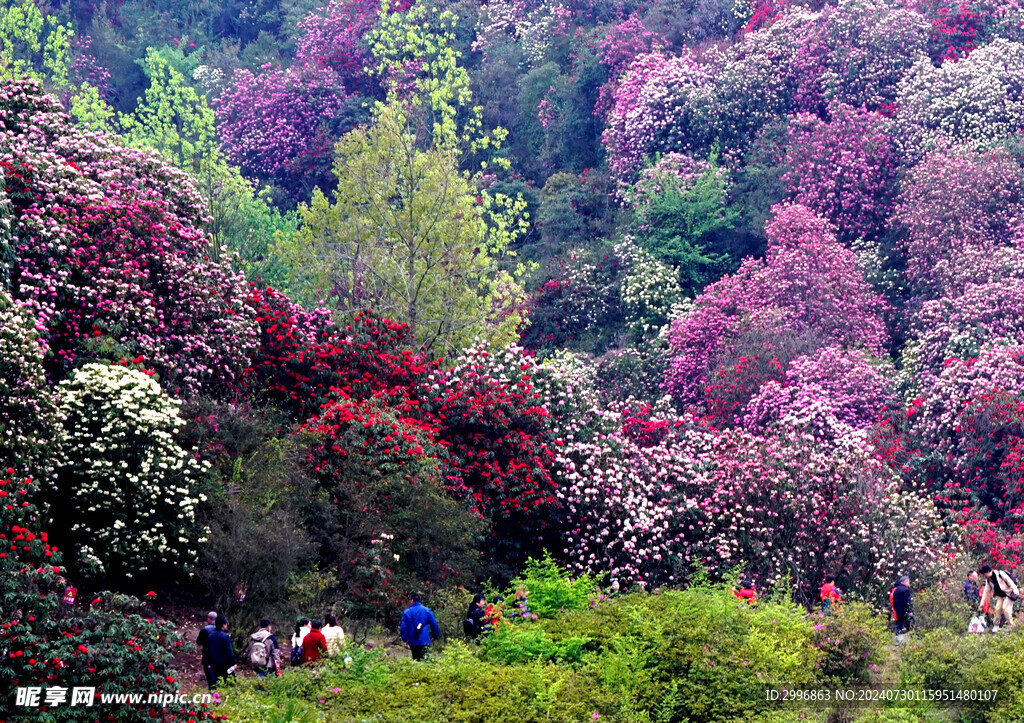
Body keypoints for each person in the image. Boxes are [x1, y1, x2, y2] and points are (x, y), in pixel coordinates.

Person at [400, 593, 439, 661]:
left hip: (412, 641)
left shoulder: (407, 612)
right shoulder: (426, 610)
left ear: (412, 600)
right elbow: (434, 624)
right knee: (425, 660)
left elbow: (403, 628)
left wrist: (405, 640)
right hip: (424, 640)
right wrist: (435, 636)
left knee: (415, 659)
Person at [979, 565, 1019, 631]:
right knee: (997, 609)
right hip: (1000, 596)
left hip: (1008, 594)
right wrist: (982, 603)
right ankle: (996, 625)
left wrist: (1015, 590)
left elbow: (1010, 582)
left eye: (985, 574)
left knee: (1005, 608)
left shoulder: (1000, 574)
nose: (984, 576)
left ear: (988, 571)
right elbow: (986, 591)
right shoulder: (988, 580)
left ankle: (1011, 625)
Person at [205, 617, 236, 688]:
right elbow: (228, 651)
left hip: (213, 663)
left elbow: (207, 650)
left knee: (215, 683)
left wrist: (208, 662)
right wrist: (233, 663)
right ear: (223, 625)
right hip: (224, 664)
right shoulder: (225, 636)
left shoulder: (210, 635)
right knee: (227, 683)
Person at [196, 611, 217, 689]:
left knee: (209, 677)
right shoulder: (222, 629)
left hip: (208, 657)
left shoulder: (205, 629)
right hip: (220, 657)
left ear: (208, 619)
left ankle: (212, 692)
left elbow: (199, 642)